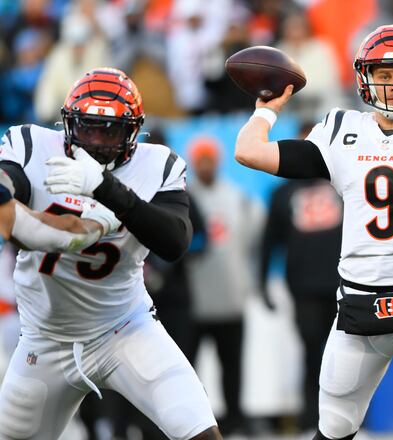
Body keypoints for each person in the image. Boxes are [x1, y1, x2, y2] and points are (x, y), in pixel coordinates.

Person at [235, 24, 393, 440]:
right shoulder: (341, 131)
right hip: (358, 307)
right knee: (334, 430)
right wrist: (266, 109)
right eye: (385, 75)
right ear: (365, 78)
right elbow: (249, 151)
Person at [0, 67, 221, 439]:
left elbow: (174, 242)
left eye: (110, 131)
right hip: (45, 337)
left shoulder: (156, 164)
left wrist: (107, 189)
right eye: (87, 128)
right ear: (68, 124)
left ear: (133, 133)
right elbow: (9, 184)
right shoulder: (31, 144)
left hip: (125, 328)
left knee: (200, 432)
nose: (97, 141)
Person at [260, 122, 344, 432]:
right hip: (303, 287)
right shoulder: (282, 192)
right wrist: (262, 284)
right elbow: (269, 241)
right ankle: (312, 420)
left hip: (344, 283)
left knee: (348, 355)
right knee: (311, 352)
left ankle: (349, 421)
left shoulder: (343, 182)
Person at [185, 136, 264, 435]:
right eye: (200, 159)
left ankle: (235, 419)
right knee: (188, 368)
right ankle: (195, 422)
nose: (205, 164)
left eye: (209, 158)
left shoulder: (238, 198)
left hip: (230, 296)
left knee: (232, 366)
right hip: (194, 300)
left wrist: (248, 283)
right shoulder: (185, 198)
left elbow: (251, 243)